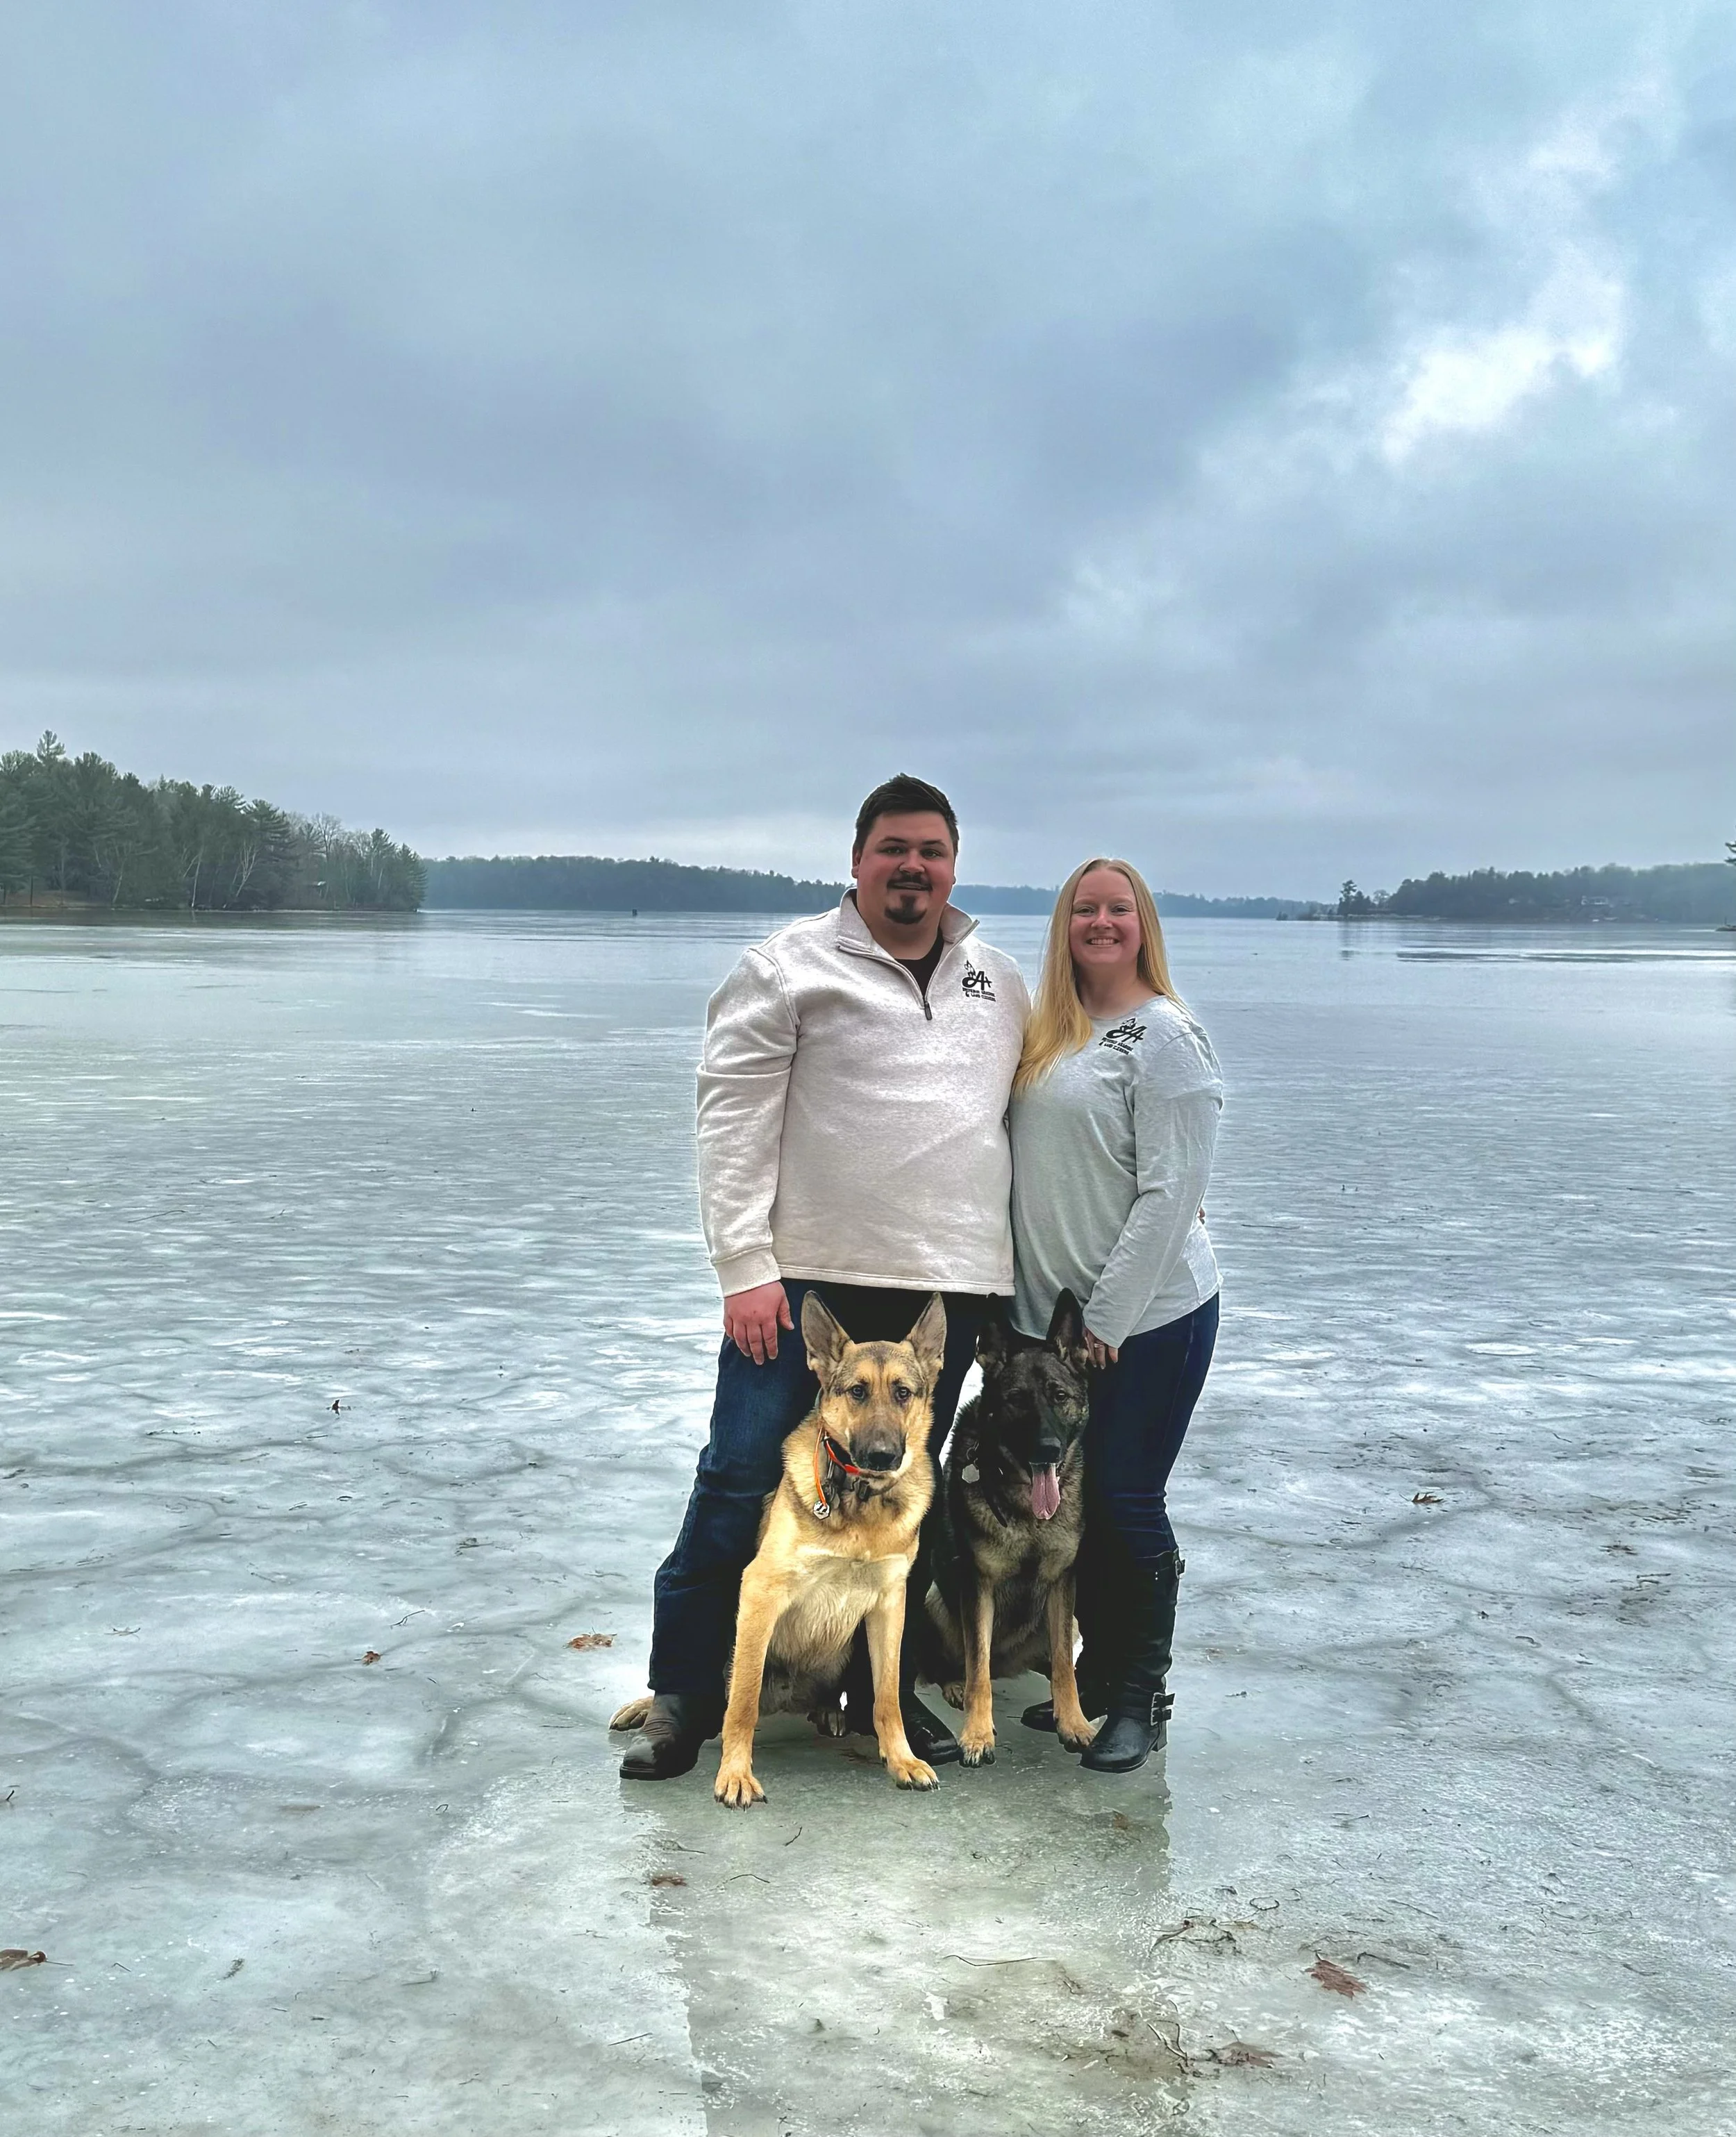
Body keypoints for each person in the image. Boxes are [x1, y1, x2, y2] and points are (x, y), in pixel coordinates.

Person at [621, 774, 1031, 1780]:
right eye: (893, 848)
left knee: (905, 1493)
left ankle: (869, 1698)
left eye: (931, 851)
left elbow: (1040, 1115)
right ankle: (687, 1690)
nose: (912, 867)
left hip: (948, 1289)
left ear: (953, 866)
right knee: (739, 1473)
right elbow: (730, 1126)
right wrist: (745, 1269)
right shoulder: (786, 967)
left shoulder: (1000, 979)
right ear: (856, 861)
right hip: (809, 1282)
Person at [1008, 858, 1222, 1774]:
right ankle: (1090, 1683)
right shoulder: (1050, 1030)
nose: (1100, 922)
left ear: (1143, 926)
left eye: (1118, 909)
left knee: (1129, 1502)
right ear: (1064, 925)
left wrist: (1105, 1320)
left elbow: (1172, 1196)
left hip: (1153, 1318)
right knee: (1080, 1509)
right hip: (1058, 1326)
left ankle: (1141, 1701)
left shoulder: (1167, 1040)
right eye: (1084, 909)